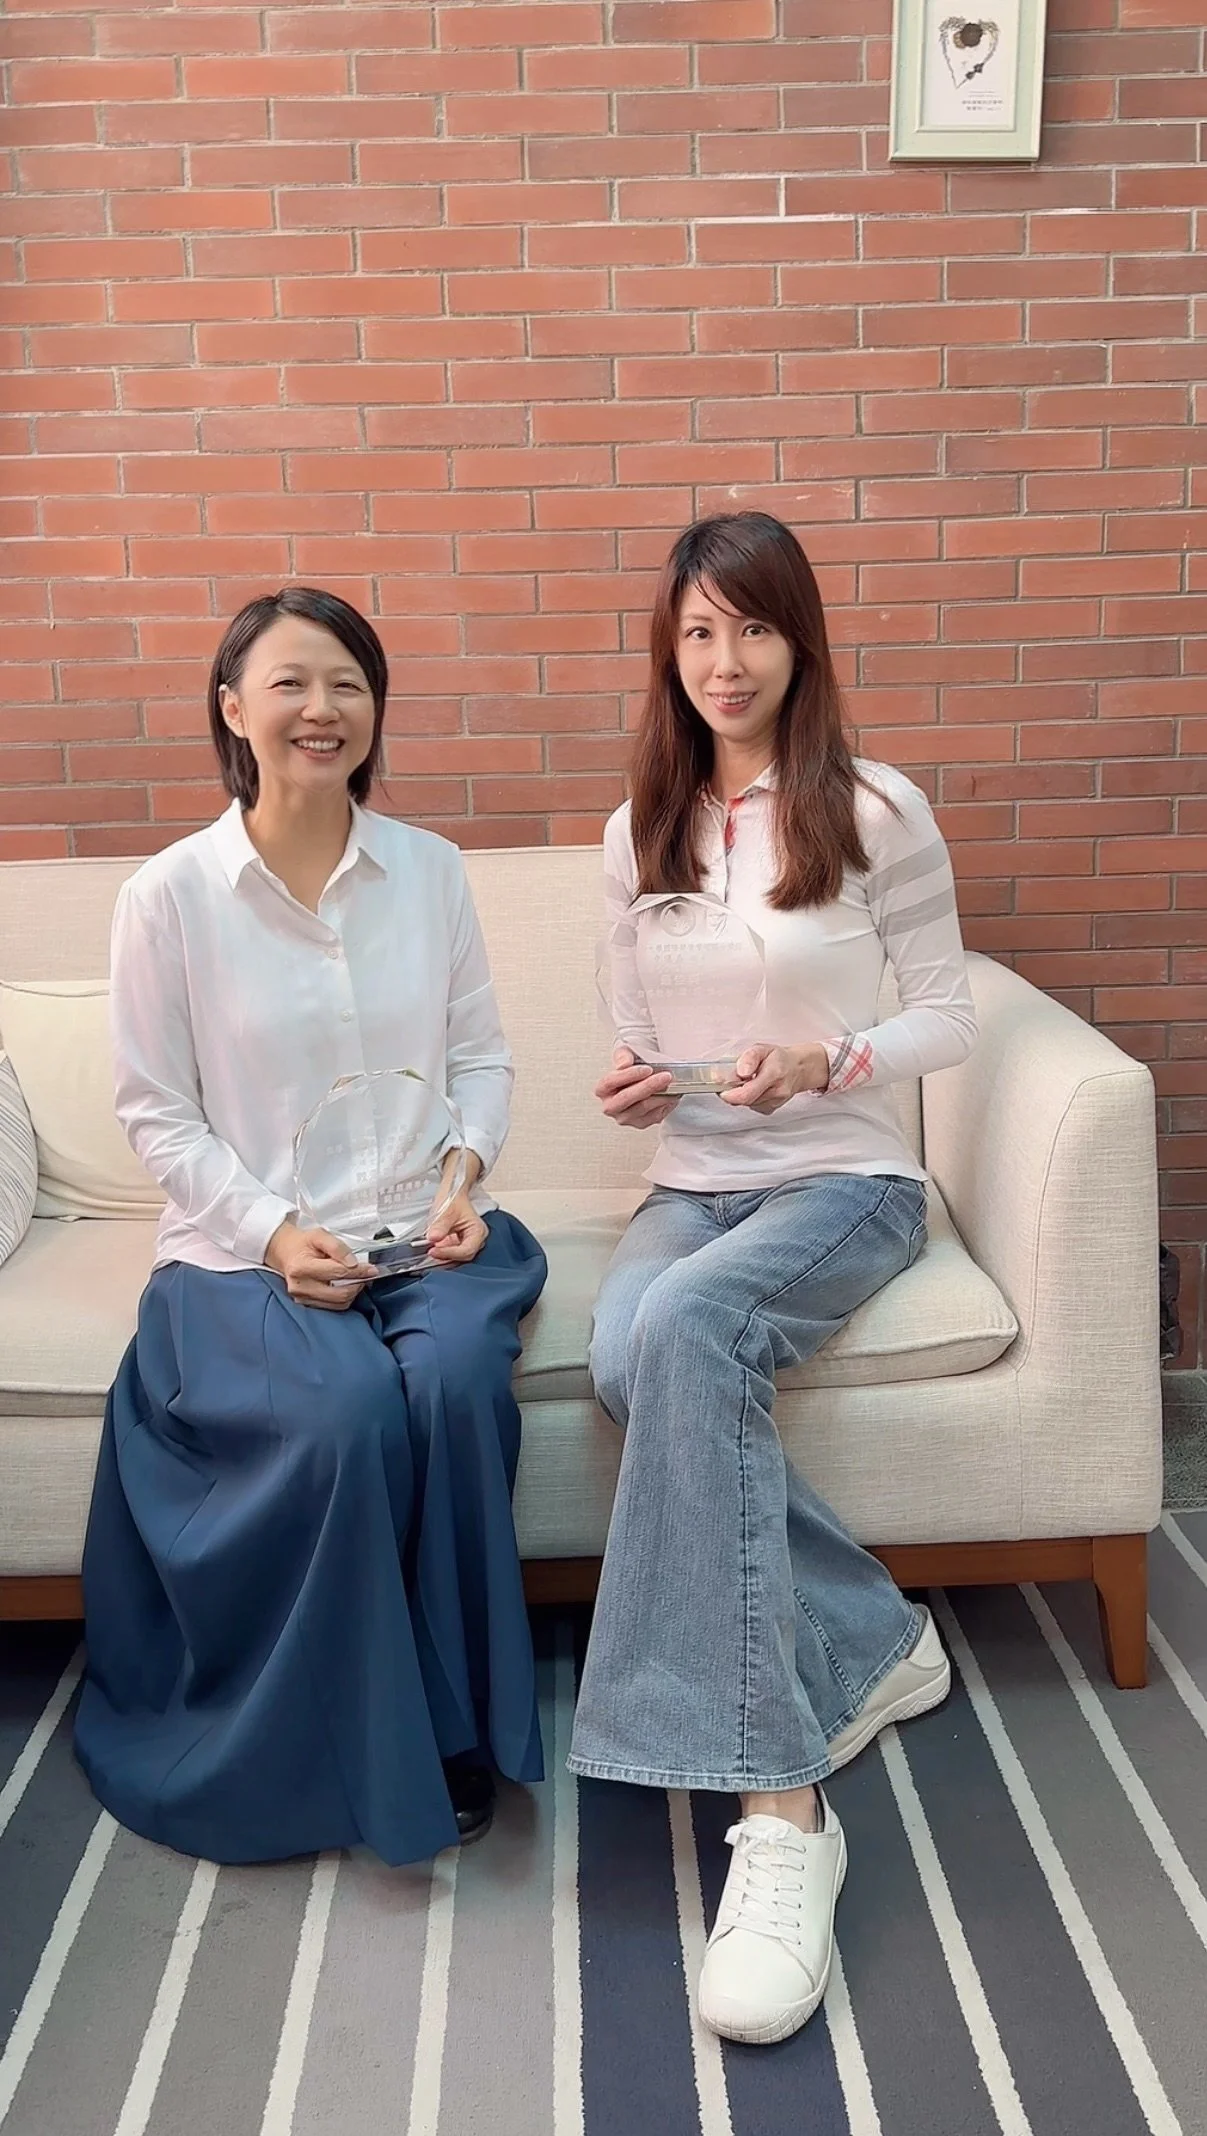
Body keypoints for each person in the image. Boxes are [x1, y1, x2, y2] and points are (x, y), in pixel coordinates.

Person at [568, 513, 977, 2044]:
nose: (721, 662)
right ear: (664, 653)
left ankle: (780, 1811)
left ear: (797, 639)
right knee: (631, 1354)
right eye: (694, 633)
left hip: (845, 1184)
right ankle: (871, 1634)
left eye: (748, 627)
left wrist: (828, 1058)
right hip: (694, 1182)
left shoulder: (873, 809)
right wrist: (641, 1088)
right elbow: (645, 1034)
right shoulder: (636, 829)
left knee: (681, 1327)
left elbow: (948, 1016)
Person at [75, 587, 547, 1866]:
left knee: (453, 1383)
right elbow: (157, 1112)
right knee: (345, 1415)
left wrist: (462, 1178)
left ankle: (453, 1725)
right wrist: (274, 1231)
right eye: (289, 683)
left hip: (421, 1237)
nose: (321, 708)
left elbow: (481, 1058)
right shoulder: (169, 896)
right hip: (247, 1259)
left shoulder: (430, 871)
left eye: (347, 682)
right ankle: (342, 1744)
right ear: (233, 709)